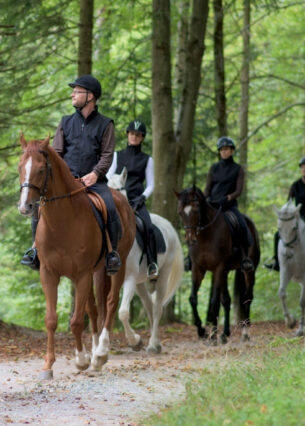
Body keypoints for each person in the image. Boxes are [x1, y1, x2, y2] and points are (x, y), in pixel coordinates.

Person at [21, 74, 121, 275]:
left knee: (110, 207)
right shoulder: (65, 122)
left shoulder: (106, 124)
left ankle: (112, 253)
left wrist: (95, 174)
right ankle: (34, 250)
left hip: (94, 181)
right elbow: (57, 154)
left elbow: (107, 154)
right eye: (73, 91)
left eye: (76, 91)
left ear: (90, 96)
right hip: (67, 182)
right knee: (40, 208)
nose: (72, 95)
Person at [107, 120, 159, 281]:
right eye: (131, 134)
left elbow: (151, 184)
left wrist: (142, 198)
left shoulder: (147, 159)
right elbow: (109, 175)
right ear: (127, 135)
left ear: (142, 138)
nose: (134, 137)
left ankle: (152, 264)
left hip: (137, 201)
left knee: (148, 227)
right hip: (116, 198)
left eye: (137, 135)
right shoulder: (117, 155)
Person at [203, 136, 254, 272]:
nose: (224, 152)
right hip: (212, 205)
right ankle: (190, 257)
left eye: (226, 149)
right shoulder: (213, 168)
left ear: (232, 151)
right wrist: (203, 198)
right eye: (222, 150)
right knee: (196, 222)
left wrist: (228, 197)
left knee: (242, 225)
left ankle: (245, 258)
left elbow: (238, 190)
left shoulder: (238, 169)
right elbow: (208, 189)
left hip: (229, 206)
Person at [264, 156, 305, 271]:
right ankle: (277, 262)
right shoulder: (295, 185)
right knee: (278, 235)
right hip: (298, 217)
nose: (304, 169)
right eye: (302, 167)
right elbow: (289, 203)